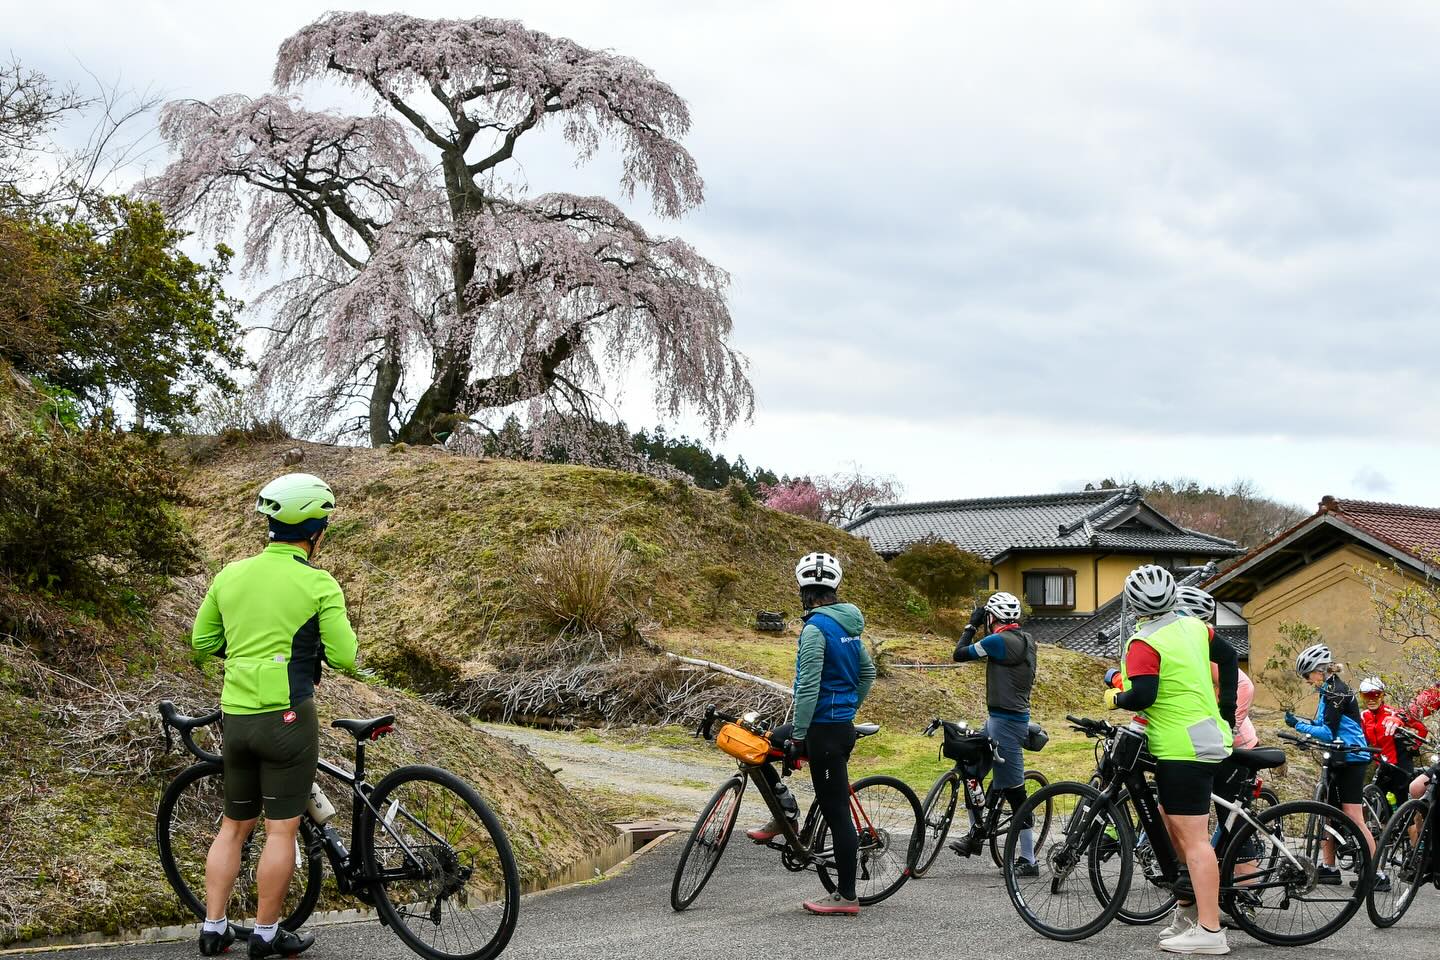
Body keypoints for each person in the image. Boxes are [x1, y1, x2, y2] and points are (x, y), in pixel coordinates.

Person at [190, 473, 357, 957]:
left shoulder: (230, 574)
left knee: (233, 826)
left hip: (236, 719)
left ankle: (213, 928)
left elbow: (202, 640)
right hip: (287, 719)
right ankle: (265, 935)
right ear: (316, 531)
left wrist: (246, 657)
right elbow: (345, 656)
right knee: (280, 829)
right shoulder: (318, 583)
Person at [1106, 564, 1236, 955]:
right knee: (1173, 826)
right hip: (1202, 739)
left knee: (1194, 840)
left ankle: (1211, 931)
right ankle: (1188, 913)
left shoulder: (1144, 642)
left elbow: (1143, 695)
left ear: (1133, 605)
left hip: (1182, 748)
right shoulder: (1195, 626)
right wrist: (1227, 710)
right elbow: (1230, 656)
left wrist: (1114, 697)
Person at [746, 552, 875, 916]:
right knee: (763, 743)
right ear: (834, 589)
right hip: (835, 726)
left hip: (824, 733)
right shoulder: (848, 625)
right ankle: (785, 814)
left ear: (804, 592)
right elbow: (867, 674)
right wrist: (847, 709)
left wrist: (800, 735)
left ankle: (846, 896)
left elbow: (807, 688)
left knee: (837, 814)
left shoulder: (816, 628)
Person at [950, 591, 1039, 876]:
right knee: (972, 766)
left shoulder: (996, 642)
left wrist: (971, 624)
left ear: (991, 618)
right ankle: (976, 833)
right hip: (1001, 719)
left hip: (1006, 723)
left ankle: (1029, 860)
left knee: (1016, 794)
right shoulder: (1027, 639)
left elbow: (959, 654)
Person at [1284, 644, 1380, 889]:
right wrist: (1302, 725)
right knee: (1327, 812)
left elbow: (1327, 731)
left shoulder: (1336, 691)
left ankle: (1376, 873)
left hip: (1352, 757)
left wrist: (1298, 726)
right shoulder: (1327, 689)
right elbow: (1322, 723)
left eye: (1307, 675)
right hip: (1337, 755)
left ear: (1319, 670)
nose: (1306, 680)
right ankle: (1329, 868)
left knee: (1353, 815)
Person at [1359, 677, 1427, 803]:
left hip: (1400, 763)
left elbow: (1422, 729)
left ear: (1382, 695)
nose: (1371, 700)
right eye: (1366, 696)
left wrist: (1414, 748)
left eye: (1376, 695)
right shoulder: (1364, 716)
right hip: (1382, 764)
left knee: (1402, 798)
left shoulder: (1393, 714)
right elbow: (1364, 739)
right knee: (1380, 798)